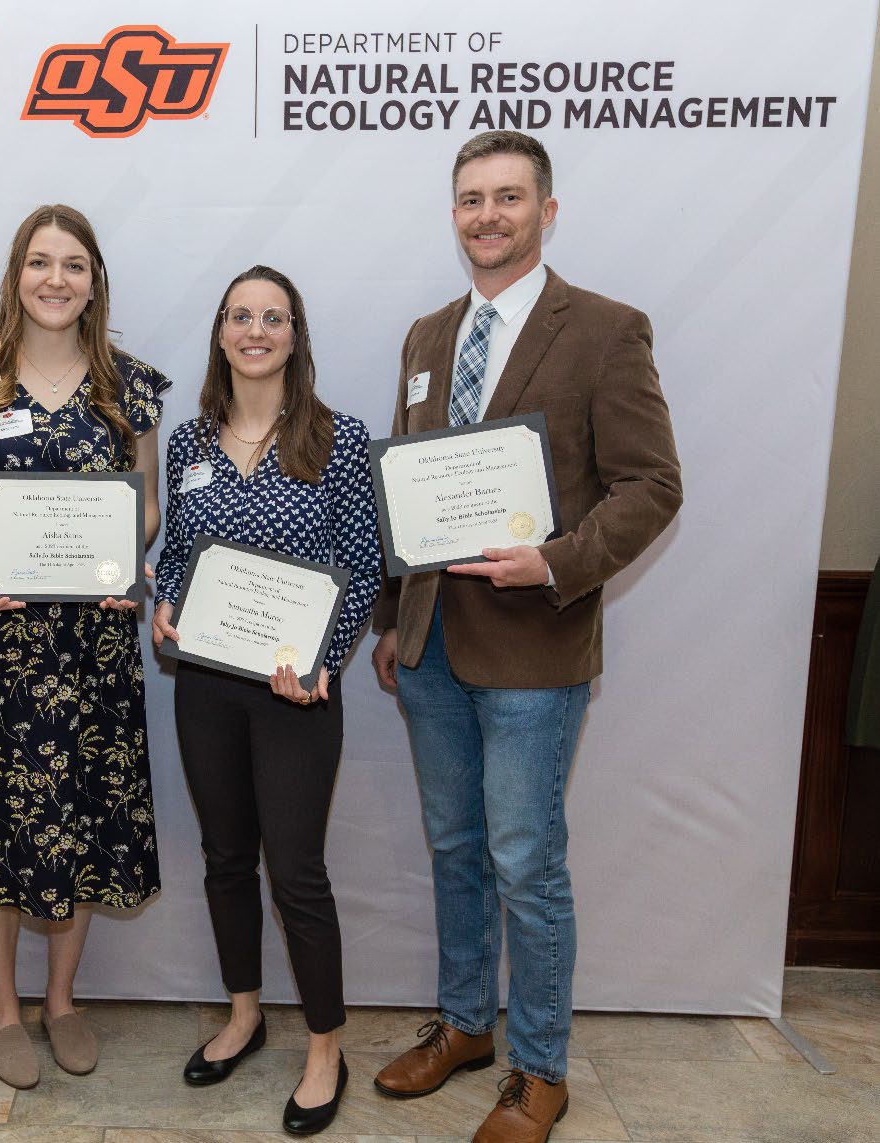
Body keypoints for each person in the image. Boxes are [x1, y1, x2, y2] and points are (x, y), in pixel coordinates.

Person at [370, 131, 682, 1143]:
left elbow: (652, 485)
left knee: (525, 861)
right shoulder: (425, 338)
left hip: (533, 657)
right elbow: (403, 494)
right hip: (429, 650)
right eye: (470, 199)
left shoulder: (602, 330)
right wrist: (387, 619)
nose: (487, 216)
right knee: (456, 850)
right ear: (452, 213)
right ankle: (465, 1027)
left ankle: (539, 1068)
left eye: (508, 198)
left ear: (546, 212)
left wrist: (555, 561)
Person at [0, 204, 168, 1089]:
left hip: (91, 638)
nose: (55, 279)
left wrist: (121, 556)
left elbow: (145, 504)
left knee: (84, 810)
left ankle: (62, 999)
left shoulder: (130, 386)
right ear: (15, 274)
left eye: (73, 264)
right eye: (38, 262)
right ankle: (3, 1009)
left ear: (96, 280)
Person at [152, 266, 380, 1136]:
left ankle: (325, 1046)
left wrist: (325, 659)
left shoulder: (337, 437)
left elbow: (362, 564)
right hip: (205, 682)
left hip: (294, 691)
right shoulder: (190, 441)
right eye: (240, 316)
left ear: (295, 335)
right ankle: (244, 1013)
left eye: (272, 317)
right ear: (220, 332)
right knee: (221, 856)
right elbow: (179, 550)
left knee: (295, 870)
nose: (256, 330)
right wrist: (166, 598)